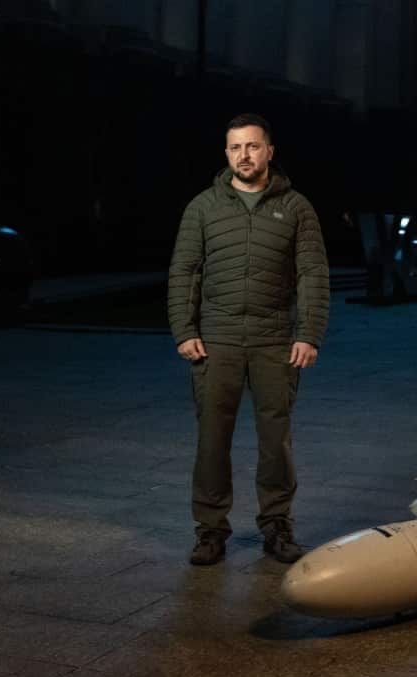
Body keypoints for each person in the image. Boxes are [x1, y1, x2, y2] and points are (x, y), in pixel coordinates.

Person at [168, 113, 329, 566]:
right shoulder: (203, 207)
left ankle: (277, 526)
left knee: (275, 439)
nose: (244, 155)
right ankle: (210, 530)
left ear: (269, 152)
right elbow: (185, 271)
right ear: (226, 154)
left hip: (274, 340)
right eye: (236, 147)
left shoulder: (296, 207)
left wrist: (308, 334)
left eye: (253, 146)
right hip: (215, 341)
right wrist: (185, 330)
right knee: (211, 439)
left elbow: (312, 274)